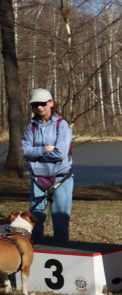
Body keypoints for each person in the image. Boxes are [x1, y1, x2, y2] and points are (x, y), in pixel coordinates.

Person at [21, 88, 73, 244]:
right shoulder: (31, 128)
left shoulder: (62, 125)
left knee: (61, 219)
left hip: (61, 177)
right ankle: (36, 252)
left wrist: (36, 155)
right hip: (37, 179)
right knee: (35, 219)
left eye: (42, 103)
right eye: (35, 104)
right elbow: (25, 152)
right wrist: (44, 149)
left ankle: (62, 250)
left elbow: (61, 154)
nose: (39, 107)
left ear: (51, 102)